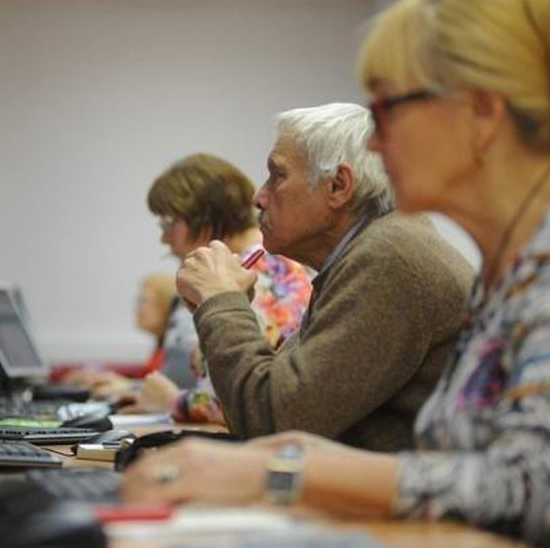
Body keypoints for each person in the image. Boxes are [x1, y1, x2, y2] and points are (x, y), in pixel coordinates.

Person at [121, 0, 550, 544]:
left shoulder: (444, 260)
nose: (373, 140)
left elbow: (530, 488)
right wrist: (294, 455)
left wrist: (286, 469)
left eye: (388, 108)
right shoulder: (505, 276)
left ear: (482, 114)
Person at [170, 103, 473, 449]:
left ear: (338, 186)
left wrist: (222, 302)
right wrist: (222, 306)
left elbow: (271, 420)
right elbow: (263, 405)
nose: (259, 197)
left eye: (277, 175)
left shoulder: (388, 258)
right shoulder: (367, 252)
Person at [119, 153, 312, 423]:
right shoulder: (253, 264)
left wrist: (171, 401)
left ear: (202, 215)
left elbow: (241, 401)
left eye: (169, 223)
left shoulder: (262, 273)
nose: (165, 238)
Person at [64, 273, 177, 399]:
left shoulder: (175, 352)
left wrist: (126, 385)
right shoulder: (162, 347)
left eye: (143, 301)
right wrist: (105, 377)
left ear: (167, 305)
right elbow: (143, 378)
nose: (137, 310)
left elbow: (165, 390)